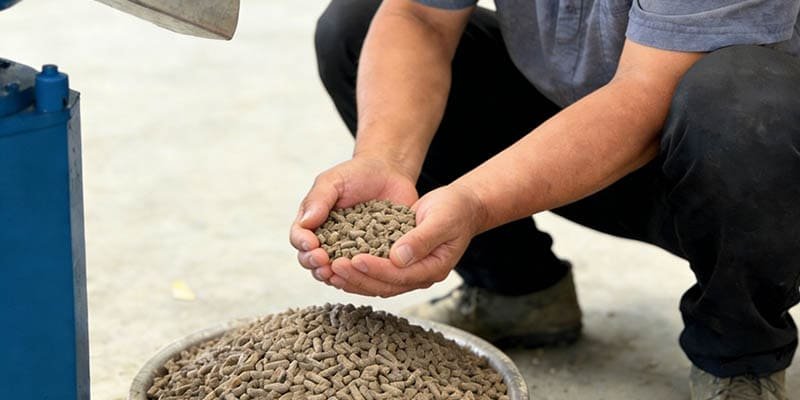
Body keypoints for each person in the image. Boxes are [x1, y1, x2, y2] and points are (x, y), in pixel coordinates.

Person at [289, 0, 800, 397]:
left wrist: (473, 201)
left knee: (745, 104)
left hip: (746, 170)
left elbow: (648, 91)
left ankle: (739, 354)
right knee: (355, 26)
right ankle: (518, 293)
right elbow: (418, 17)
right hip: (580, 136)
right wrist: (385, 160)